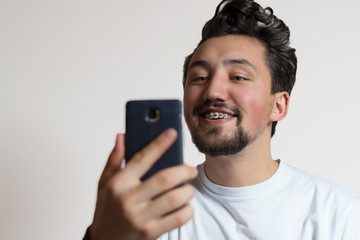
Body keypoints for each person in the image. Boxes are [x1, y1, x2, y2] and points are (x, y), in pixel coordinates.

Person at [84, 0, 360, 239]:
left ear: (278, 105)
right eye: (200, 78)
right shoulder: (152, 211)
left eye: (238, 76)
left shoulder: (338, 216)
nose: (212, 91)